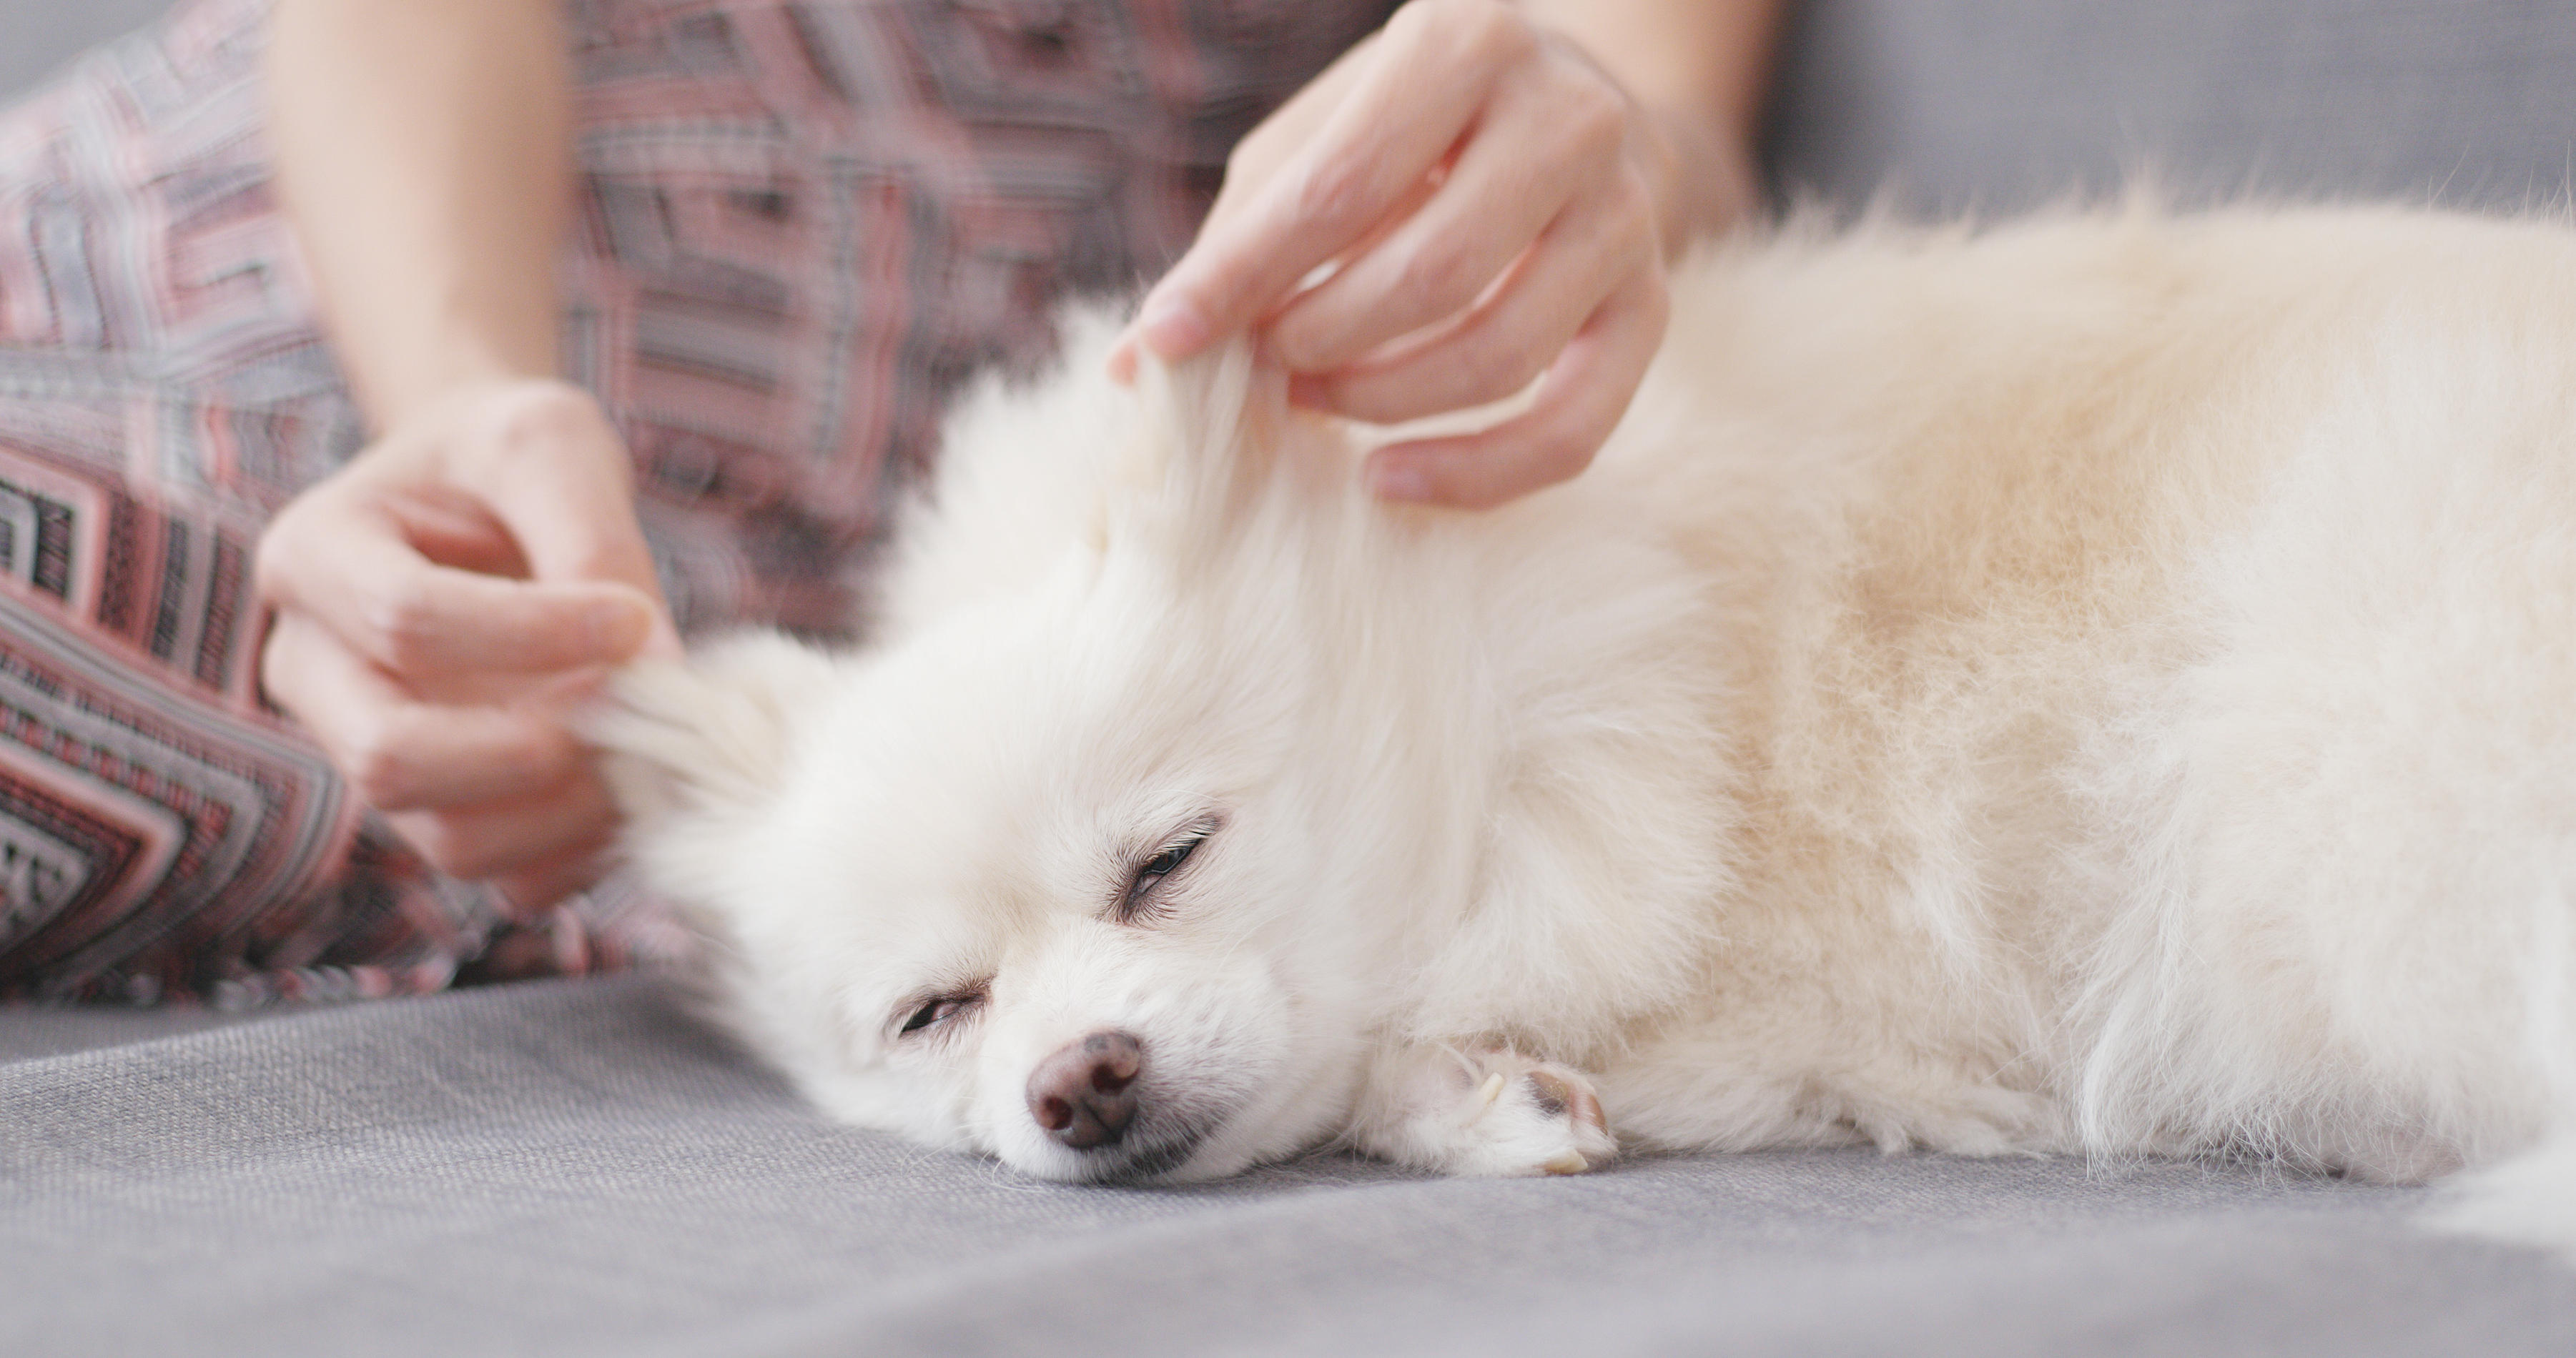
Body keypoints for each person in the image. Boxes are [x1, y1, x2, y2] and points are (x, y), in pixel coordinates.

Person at [0, 0, 1777, 1004]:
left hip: (735, 615)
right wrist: (457, 399)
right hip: (321, 291)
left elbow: (1652, 109)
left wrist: (1589, 136)